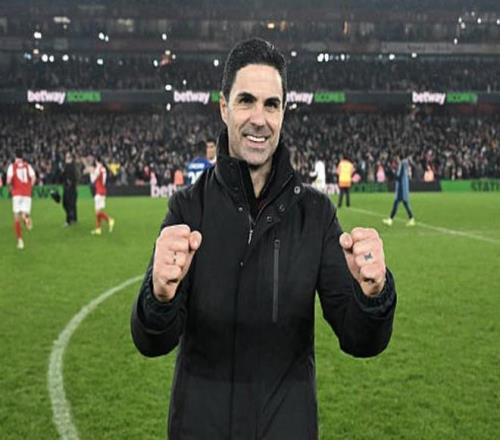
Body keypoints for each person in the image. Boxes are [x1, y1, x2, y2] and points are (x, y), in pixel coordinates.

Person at [131, 38, 397, 440]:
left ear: (284, 112)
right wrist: (159, 298)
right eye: (246, 101)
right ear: (224, 107)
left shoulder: (316, 214)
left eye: (272, 104)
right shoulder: (188, 208)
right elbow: (151, 341)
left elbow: (359, 339)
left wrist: (374, 295)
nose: (260, 118)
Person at [6, 149, 36, 250]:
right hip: (27, 194)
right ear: (23, 156)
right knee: (24, 213)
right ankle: (26, 218)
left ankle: (20, 241)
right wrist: (30, 187)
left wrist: (10, 189)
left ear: (15, 156)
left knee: (16, 217)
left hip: (17, 194)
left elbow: (8, 181)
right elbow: (33, 178)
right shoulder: (28, 166)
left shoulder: (12, 166)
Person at [383, 152, 415, 226]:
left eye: (396, 158)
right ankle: (411, 218)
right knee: (404, 203)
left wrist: (392, 172)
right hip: (404, 186)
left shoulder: (402, 164)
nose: (396, 159)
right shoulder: (405, 164)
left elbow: (399, 177)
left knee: (397, 202)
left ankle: (390, 220)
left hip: (401, 187)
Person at [88, 156, 115, 235]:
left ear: (97, 161)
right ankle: (98, 229)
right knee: (98, 212)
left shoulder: (98, 169)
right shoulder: (103, 169)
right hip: (102, 191)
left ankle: (109, 219)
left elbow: (93, 180)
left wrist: (91, 172)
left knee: (97, 212)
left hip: (99, 192)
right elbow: (102, 180)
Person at [62, 151, 78, 226]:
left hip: (69, 188)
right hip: (70, 187)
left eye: (67, 157)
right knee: (71, 204)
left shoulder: (69, 166)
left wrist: (69, 182)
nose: (66, 158)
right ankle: (73, 218)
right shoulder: (70, 165)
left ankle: (68, 220)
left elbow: (71, 176)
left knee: (67, 204)